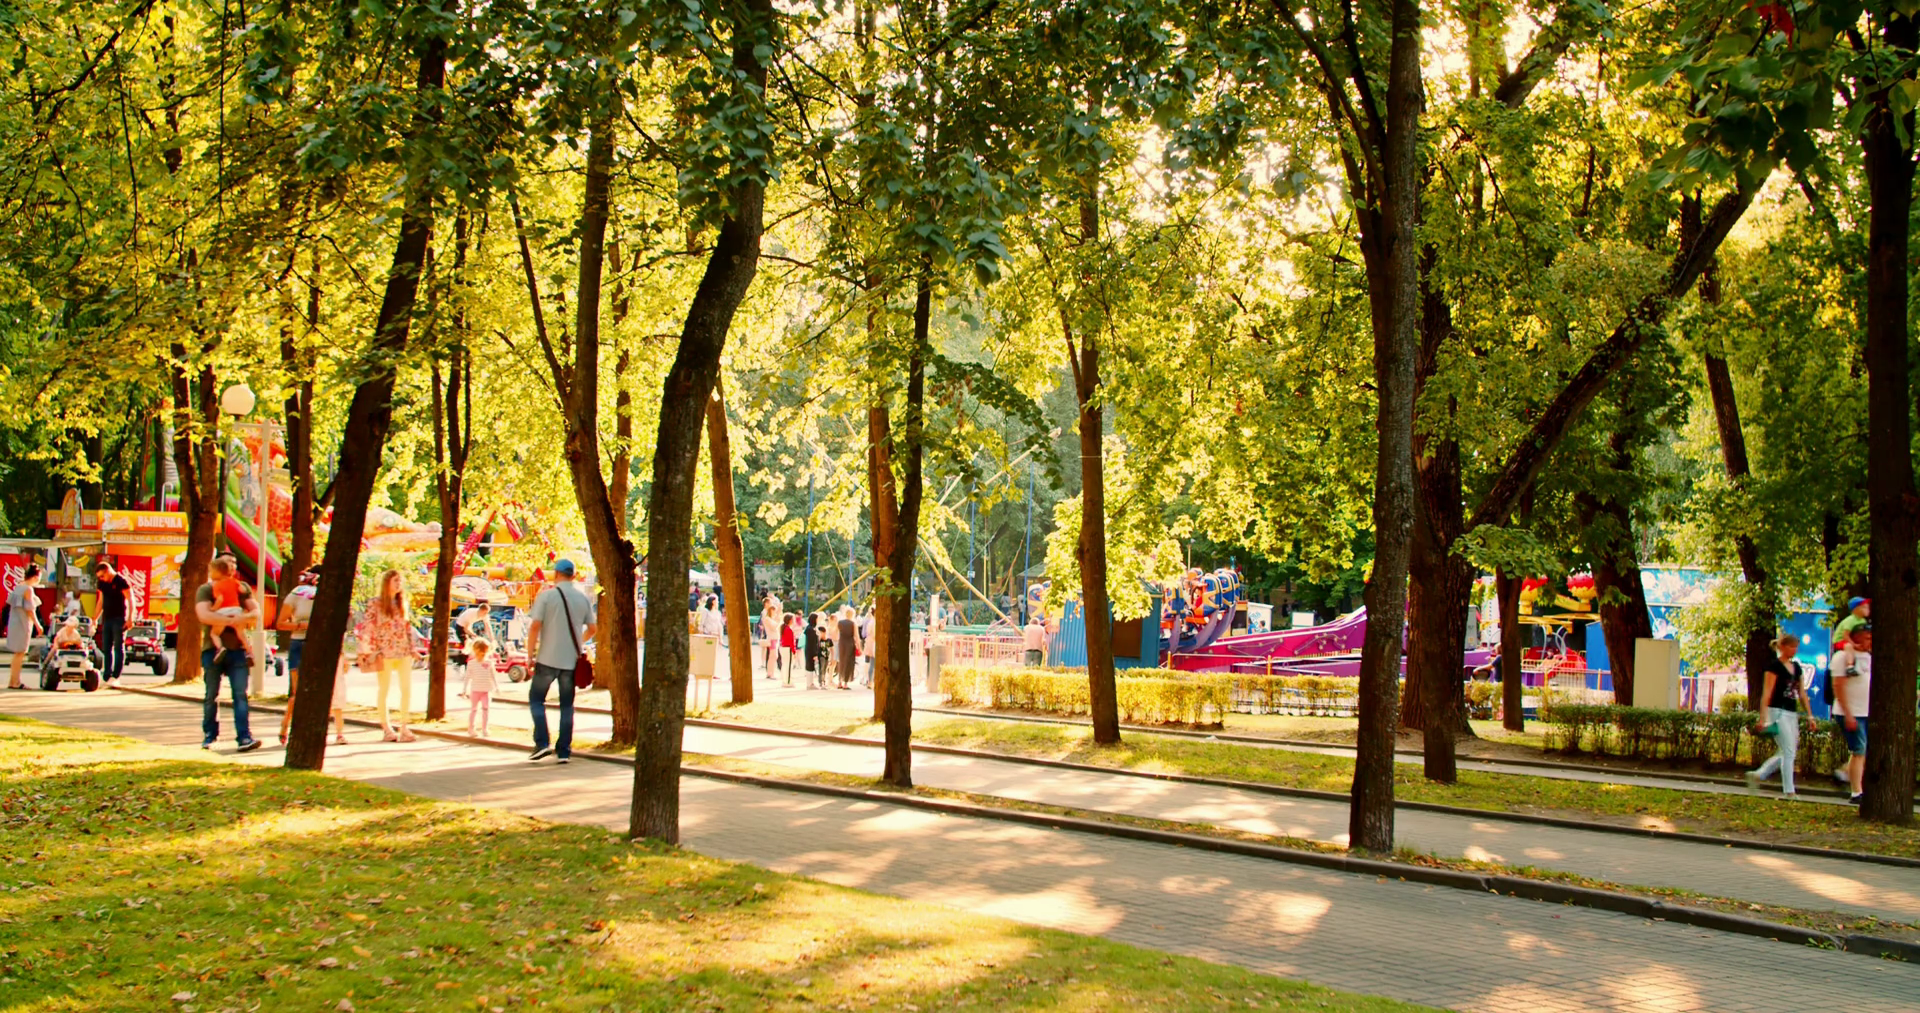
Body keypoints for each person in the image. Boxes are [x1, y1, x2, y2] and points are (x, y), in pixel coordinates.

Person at [525, 559, 596, 763]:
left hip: (547, 658)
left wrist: (530, 654)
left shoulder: (547, 596)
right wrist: (578, 642)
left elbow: (535, 626)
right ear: (573, 576)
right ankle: (564, 751)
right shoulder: (582, 599)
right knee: (567, 705)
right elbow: (593, 629)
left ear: (556, 574)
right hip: (570, 661)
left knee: (536, 700)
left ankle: (542, 743)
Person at [195, 556, 261, 752]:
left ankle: (244, 737)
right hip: (212, 650)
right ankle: (210, 735)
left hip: (237, 651)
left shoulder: (242, 587)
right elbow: (204, 615)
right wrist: (233, 621)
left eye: (234, 563)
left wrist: (243, 617)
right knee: (211, 695)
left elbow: (256, 611)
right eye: (227, 563)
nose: (231, 566)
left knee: (240, 694)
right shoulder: (206, 589)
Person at [355, 569, 416, 743]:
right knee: (384, 689)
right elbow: (368, 626)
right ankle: (387, 728)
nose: (399, 584)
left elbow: (407, 627)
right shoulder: (376, 603)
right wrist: (366, 650)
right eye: (395, 580)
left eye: (400, 581)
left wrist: (412, 648)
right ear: (387, 583)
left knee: (406, 689)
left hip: (403, 651)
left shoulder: (402, 603)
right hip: (385, 652)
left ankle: (404, 726)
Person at [1745, 633, 1807, 797]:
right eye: (1791, 646)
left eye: (1796, 647)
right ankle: (1789, 791)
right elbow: (1767, 693)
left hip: (1791, 711)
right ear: (1782, 647)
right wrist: (1763, 717)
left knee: (1788, 750)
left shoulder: (1797, 667)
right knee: (1788, 751)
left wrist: (1810, 715)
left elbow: (1801, 693)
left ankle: (1758, 774)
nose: (1794, 650)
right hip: (1777, 711)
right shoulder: (1774, 667)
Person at [275, 568, 320, 745]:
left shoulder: (329, 596)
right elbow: (280, 623)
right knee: (297, 692)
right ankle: (285, 725)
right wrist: (301, 625)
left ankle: (308, 731)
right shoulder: (297, 593)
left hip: (320, 645)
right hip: (299, 644)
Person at [1830, 623, 1871, 805]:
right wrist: (1848, 713)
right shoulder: (1842, 657)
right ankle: (1856, 792)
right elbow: (1838, 686)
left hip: (1865, 711)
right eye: (1866, 638)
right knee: (1859, 750)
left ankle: (1845, 773)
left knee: (1862, 751)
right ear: (1856, 638)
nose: (1870, 641)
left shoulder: (1868, 657)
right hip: (1850, 711)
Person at [7, 564, 44, 690]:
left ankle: (13, 681)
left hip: (14, 622)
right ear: (34, 577)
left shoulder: (18, 587)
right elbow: (30, 610)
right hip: (23, 623)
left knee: (17, 654)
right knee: (20, 653)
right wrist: (38, 625)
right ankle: (16, 682)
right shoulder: (28, 589)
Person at [93, 560, 130, 687]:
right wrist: (95, 618)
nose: (101, 579)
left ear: (108, 571)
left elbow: (130, 599)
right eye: (99, 577)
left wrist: (130, 618)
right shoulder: (103, 583)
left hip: (119, 618)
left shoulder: (121, 581)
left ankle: (116, 675)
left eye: (102, 576)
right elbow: (101, 601)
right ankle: (107, 675)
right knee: (106, 647)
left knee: (118, 647)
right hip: (107, 618)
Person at [463, 637, 499, 737]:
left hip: (486, 690)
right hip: (475, 690)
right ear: (475, 651)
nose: (483, 654)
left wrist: (496, 687)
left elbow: (493, 675)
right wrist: (464, 689)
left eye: (485, 652)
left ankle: (485, 729)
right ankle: (471, 728)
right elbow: (467, 677)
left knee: (486, 709)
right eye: (481, 652)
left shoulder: (489, 663)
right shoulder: (471, 663)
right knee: (474, 709)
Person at [834, 606, 857, 689]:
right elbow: (856, 636)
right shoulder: (853, 623)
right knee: (848, 662)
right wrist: (859, 647)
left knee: (841, 661)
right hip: (850, 643)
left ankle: (839, 681)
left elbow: (835, 633)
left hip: (841, 643)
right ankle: (845, 683)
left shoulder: (840, 622)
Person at [760, 596, 783, 680]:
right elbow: (774, 627)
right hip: (772, 638)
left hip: (775, 638)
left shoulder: (771, 619)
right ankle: (770, 673)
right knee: (773, 656)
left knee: (774, 656)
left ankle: (770, 673)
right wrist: (778, 620)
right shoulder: (767, 619)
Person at [803, 611, 825, 690]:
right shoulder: (811, 629)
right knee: (810, 667)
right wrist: (815, 653)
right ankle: (809, 684)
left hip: (810, 650)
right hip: (811, 651)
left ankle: (810, 683)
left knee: (811, 666)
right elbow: (812, 643)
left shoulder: (811, 628)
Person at [779, 612, 800, 686]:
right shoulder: (789, 629)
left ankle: (784, 680)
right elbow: (791, 642)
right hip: (788, 649)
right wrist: (794, 651)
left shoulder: (784, 628)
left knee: (785, 664)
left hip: (783, 648)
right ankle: (788, 682)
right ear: (790, 620)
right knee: (789, 665)